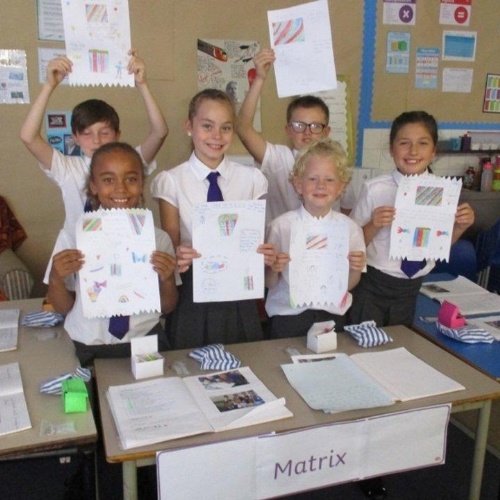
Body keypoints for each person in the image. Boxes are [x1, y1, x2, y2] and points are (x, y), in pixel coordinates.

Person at [150, 88, 275, 349]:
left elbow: (254, 240)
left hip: (238, 291)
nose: (216, 136)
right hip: (193, 292)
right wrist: (179, 254)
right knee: (191, 361)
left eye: (225, 128)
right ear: (189, 126)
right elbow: (171, 247)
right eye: (207, 126)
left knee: (245, 358)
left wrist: (264, 254)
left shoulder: (251, 179)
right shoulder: (172, 181)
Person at [47, 142, 178, 367]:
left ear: (142, 184)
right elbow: (63, 307)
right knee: (92, 389)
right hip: (87, 343)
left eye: (131, 179)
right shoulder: (72, 236)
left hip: (145, 340)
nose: (121, 189)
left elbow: (168, 306)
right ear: (93, 186)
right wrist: (56, 278)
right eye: (108, 180)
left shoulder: (157, 239)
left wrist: (167, 280)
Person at [349, 111, 474, 330]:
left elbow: (438, 245)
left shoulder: (443, 191)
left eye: (422, 143)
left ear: (433, 151)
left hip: (412, 289)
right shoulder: (375, 189)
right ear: (391, 149)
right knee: (364, 342)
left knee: (401, 343)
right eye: (404, 143)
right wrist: (373, 225)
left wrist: (459, 227)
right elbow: (352, 244)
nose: (413, 151)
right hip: (372, 287)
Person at [20, 49, 168, 233]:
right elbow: (28, 137)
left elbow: (159, 133)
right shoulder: (67, 168)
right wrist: (49, 86)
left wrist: (142, 85)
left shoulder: (129, 162)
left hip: (124, 242)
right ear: (75, 138)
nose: (96, 141)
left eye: (104, 133)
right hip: (77, 247)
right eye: (86, 134)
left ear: (117, 135)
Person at [265, 138, 366, 338]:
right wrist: (274, 268)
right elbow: (269, 282)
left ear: (341, 187)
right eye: (312, 179)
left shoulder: (350, 229)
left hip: (332, 316)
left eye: (330, 180)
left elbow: (351, 282)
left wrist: (355, 268)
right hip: (288, 317)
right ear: (298, 184)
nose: (321, 186)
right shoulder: (281, 227)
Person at [236, 48, 336, 222]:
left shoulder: (336, 165)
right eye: (299, 125)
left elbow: (346, 215)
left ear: (326, 132)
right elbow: (243, 128)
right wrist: (259, 78)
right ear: (288, 130)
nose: (307, 132)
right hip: (281, 238)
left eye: (315, 126)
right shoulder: (279, 159)